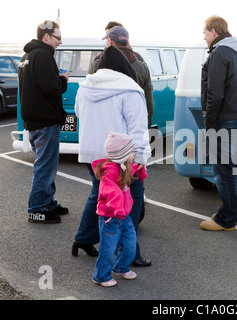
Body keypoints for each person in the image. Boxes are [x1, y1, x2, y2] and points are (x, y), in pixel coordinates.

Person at [71, 46, 151, 257]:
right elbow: (138, 127)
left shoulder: (85, 87)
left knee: (98, 194)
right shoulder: (129, 89)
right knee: (128, 202)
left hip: (92, 153)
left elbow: (79, 113)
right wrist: (141, 156)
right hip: (121, 157)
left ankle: (83, 238)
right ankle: (128, 252)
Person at [18, 20, 70, 224]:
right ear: (46, 36)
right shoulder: (43, 55)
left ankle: (48, 203)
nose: (60, 42)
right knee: (45, 166)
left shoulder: (28, 56)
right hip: (45, 121)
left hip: (34, 120)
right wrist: (63, 79)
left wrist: (54, 77)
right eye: (58, 37)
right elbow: (50, 87)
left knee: (47, 165)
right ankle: (38, 209)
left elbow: (39, 84)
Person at [199, 16, 237, 231]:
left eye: (205, 33)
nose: (204, 37)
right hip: (235, 117)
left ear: (213, 32)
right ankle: (236, 214)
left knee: (223, 171)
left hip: (222, 120)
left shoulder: (219, 53)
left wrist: (209, 122)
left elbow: (215, 93)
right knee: (234, 168)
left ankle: (225, 220)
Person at [92, 132, 147, 287]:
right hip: (110, 217)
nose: (133, 153)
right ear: (121, 155)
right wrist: (117, 208)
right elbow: (109, 191)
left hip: (124, 216)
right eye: (131, 152)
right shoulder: (109, 172)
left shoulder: (123, 167)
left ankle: (121, 267)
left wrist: (138, 167)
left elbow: (131, 170)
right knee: (107, 250)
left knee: (130, 244)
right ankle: (100, 276)